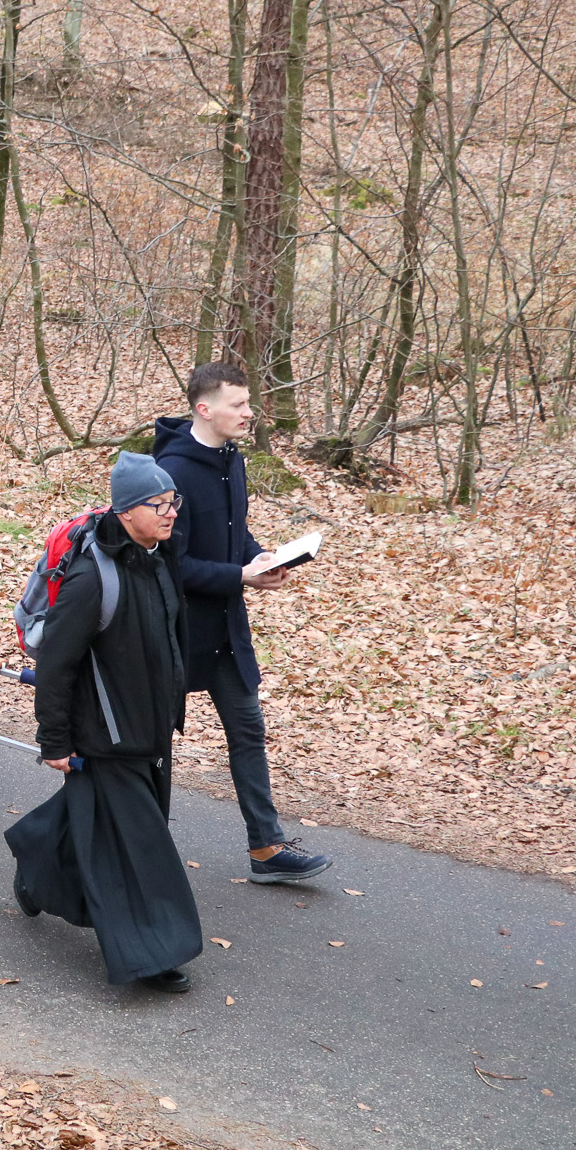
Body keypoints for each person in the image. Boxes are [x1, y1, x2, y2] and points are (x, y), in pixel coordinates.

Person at [6, 453, 202, 993]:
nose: (171, 513)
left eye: (174, 502)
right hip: (106, 735)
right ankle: (153, 952)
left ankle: (36, 868)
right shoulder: (93, 576)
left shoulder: (159, 556)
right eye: (159, 505)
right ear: (127, 511)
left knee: (95, 822)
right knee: (141, 849)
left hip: (149, 728)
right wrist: (54, 739)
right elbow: (57, 663)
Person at [153, 362, 329, 885]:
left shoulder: (233, 460)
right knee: (152, 745)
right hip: (174, 632)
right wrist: (240, 575)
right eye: (239, 404)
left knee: (248, 730)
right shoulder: (172, 472)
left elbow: (235, 531)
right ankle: (144, 850)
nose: (249, 413)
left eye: (248, 403)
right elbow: (171, 564)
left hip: (226, 628)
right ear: (204, 409)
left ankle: (267, 848)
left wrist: (260, 557)